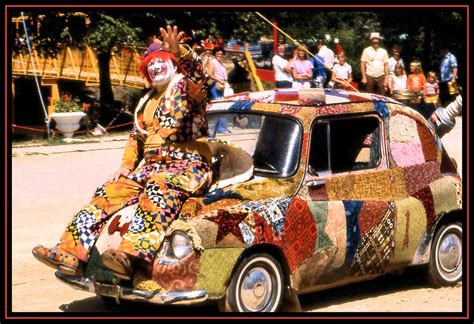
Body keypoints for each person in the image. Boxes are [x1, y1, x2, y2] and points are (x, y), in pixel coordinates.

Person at [32, 26, 212, 280]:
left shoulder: (187, 90)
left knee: (160, 189)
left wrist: (182, 52)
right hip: (151, 167)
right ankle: (71, 254)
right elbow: (136, 137)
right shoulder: (146, 100)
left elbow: (199, 76)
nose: (155, 67)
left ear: (173, 63)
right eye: (150, 64)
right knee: (108, 190)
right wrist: (127, 165)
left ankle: (128, 258)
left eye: (161, 61)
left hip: (187, 166)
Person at [207, 46, 231, 133]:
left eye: (221, 54)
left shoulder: (220, 63)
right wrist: (220, 80)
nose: (220, 55)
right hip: (216, 86)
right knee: (219, 105)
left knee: (224, 105)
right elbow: (210, 74)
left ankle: (223, 126)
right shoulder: (212, 63)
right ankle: (220, 127)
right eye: (218, 54)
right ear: (214, 54)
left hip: (222, 85)